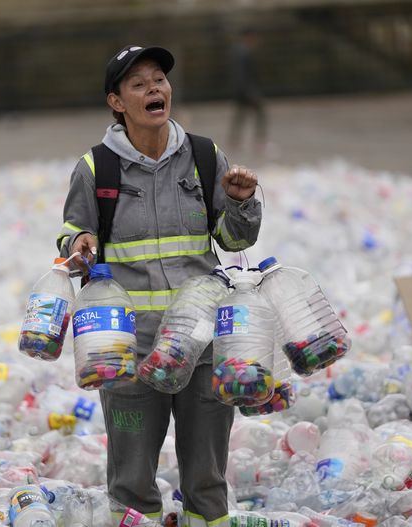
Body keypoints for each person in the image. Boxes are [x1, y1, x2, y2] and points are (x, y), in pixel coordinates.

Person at [56, 45, 262, 527]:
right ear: (117, 101)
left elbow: (233, 239)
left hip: (202, 342)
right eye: (139, 84)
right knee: (130, 478)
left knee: (208, 479)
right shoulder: (96, 168)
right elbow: (71, 233)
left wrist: (242, 202)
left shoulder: (206, 156)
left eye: (159, 80)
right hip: (130, 347)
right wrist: (80, 241)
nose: (155, 89)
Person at [228, 29, 267, 155]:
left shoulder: (238, 51)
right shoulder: (244, 53)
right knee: (258, 114)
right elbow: (243, 75)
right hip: (246, 91)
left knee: (240, 116)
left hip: (242, 91)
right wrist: (249, 92)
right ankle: (258, 141)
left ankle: (235, 141)